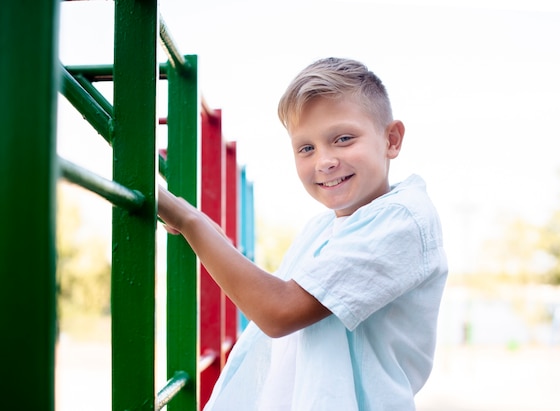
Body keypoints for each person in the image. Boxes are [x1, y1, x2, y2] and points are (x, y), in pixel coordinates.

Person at [157, 57, 448, 410]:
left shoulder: (402, 218)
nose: (323, 161)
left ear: (391, 139)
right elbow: (277, 296)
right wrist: (206, 232)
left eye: (343, 139)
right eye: (306, 148)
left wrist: (191, 222)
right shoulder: (324, 227)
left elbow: (279, 310)